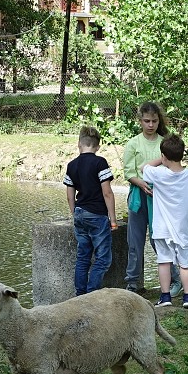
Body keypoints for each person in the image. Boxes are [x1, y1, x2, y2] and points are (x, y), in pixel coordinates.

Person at [140, 134, 188, 309]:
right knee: (185, 263)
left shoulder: (158, 174)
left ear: (164, 156)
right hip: (183, 228)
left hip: (161, 228)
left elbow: (142, 168)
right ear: (182, 154)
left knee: (164, 261)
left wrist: (160, 160)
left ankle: (165, 296)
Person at [123, 101, 180, 295]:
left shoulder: (164, 141)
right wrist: (140, 183)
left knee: (160, 240)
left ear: (158, 121)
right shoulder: (133, 143)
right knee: (135, 242)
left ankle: (174, 279)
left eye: (154, 121)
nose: (150, 125)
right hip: (138, 197)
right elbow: (128, 171)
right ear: (140, 121)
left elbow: (172, 167)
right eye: (146, 121)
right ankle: (132, 283)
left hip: (159, 197)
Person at [64, 125, 117, 296]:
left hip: (80, 212)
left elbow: (69, 195)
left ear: (79, 144)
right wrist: (113, 220)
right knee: (103, 259)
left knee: (83, 257)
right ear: (97, 146)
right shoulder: (99, 162)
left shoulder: (71, 165)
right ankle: (92, 293)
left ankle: (80, 294)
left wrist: (74, 213)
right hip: (97, 214)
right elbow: (107, 192)